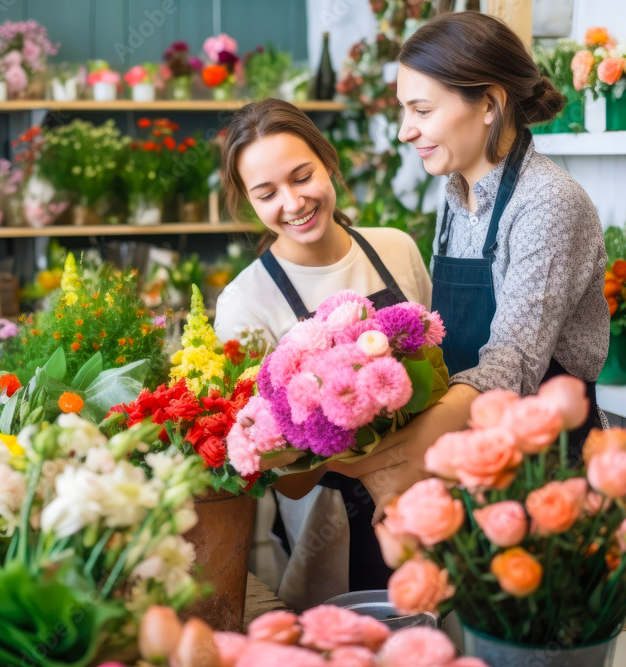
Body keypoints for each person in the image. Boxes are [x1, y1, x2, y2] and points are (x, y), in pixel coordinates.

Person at [332, 12, 610, 496]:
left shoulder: (546, 202)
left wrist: (400, 464)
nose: (404, 131)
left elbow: (510, 367)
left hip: (546, 473)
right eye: (404, 111)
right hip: (469, 452)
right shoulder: (457, 192)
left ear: (489, 103)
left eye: (421, 111)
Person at [213, 98, 434, 611]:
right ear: (249, 203)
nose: (292, 203)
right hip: (333, 524)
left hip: (432, 492)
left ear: (328, 163)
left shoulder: (396, 249)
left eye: (302, 176)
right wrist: (380, 476)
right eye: (267, 193)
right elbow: (284, 475)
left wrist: (409, 474)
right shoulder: (246, 303)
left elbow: (443, 371)